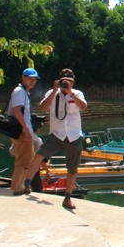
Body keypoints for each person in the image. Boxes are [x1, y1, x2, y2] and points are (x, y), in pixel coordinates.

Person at [13, 69, 87, 210]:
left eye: (69, 81)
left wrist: (70, 92)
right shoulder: (52, 93)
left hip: (73, 135)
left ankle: (68, 198)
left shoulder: (77, 94)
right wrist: (54, 91)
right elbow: (42, 108)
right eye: (64, 80)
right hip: (57, 134)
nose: (66, 83)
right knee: (38, 156)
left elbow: (83, 107)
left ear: (73, 82)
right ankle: (26, 185)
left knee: (72, 168)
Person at [8, 68, 38, 192]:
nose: (32, 81)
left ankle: (22, 186)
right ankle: (15, 188)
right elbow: (16, 110)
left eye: (34, 79)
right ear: (23, 78)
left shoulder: (24, 92)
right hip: (22, 132)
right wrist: (26, 129)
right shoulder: (20, 91)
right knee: (21, 163)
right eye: (30, 78)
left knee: (27, 162)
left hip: (25, 131)